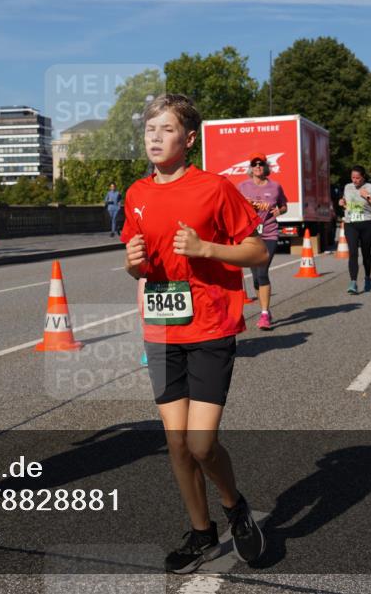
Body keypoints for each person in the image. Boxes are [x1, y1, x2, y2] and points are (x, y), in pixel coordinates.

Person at [122, 94, 268, 572]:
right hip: (162, 330)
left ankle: (234, 507)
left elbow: (258, 252)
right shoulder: (136, 194)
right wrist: (132, 264)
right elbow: (140, 266)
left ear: (188, 140)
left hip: (210, 326)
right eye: (150, 130)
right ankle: (202, 532)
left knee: (202, 444)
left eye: (166, 130)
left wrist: (207, 248)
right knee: (177, 443)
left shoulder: (215, 188)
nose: (155, 138)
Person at [238, 152, 288, 330]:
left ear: (266, 166)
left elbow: (284, 206)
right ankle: (264, 309)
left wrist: (279, 211)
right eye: (255, 164)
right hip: (250, 236)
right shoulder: (242, 187)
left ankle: (265, 314)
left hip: (269, 234)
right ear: (251, 168)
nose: (258, 166)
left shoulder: (275, 187)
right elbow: (234, 207)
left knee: (262, 272)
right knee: (255, 278)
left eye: (261, 164)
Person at [338, 166, 371, 294]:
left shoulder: (370, 187)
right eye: (353, 177)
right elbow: (346, 201)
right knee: (353, 253)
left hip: (367, 224)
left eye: (357, 178)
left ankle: (368, 278)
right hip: (351, 224)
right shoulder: (348, 187)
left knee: (366, 253)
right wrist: (342, 202)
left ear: (363, 177)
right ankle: (353, 282)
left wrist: (367, 196)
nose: (355, 180)